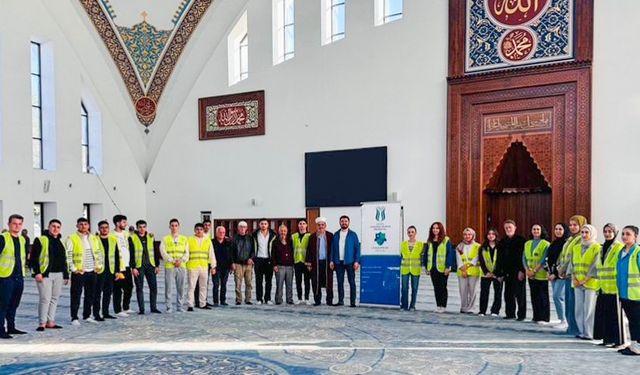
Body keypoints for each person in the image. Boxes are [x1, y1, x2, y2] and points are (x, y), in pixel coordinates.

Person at [31, 219, 69, 331]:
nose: (55, 229)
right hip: (45, 274)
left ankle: (50, 321)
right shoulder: (41, 240)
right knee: (45, 298)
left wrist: (66, 275)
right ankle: (42, 322)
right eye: (53, 226)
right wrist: (37, 272)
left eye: (58, 227)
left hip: (59, 274)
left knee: (54, 298)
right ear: (48, 226)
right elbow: (34, 258)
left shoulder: (60, 241)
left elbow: (64, 260)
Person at [66, 217, 103, 326]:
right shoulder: (72, 238)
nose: (83, 226)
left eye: (85, 224)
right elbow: (68, 254)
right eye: (81, 224)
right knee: (76, 295)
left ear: (89, 226)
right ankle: (74, 317)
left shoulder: (93, 238)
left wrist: (99, 265)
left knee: (90, 294)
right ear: (77, 226)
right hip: (79, 271)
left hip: (92, 270)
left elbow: (98, 252)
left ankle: (87, 315)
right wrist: (73, 268)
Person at [594, 223, 625, 347]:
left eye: (610, 231)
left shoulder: (618, 247)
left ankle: (618, 340)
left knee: (615, 316)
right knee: (604, 314)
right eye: (605, 231)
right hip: (602, 286)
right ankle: (606, 338)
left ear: (615, 233)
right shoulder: (602, 247)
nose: (607, 234)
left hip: (614, 287)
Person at [568, 224, 601, 340]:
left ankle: (589, 332)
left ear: (592, 234)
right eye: (582, 232)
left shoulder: (597, 247)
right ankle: (581, 331)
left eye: (587, 232)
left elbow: (595, 266)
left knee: (589, 309)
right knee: (578, 308)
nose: (584, 235)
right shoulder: (576, 247)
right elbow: (572, 264)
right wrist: (574, 279)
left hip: (590, 283)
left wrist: (584, 280)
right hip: (577, 282)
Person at [558, 215, 587, 334]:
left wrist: (562, 269)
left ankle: (575, 328)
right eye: (570, 225)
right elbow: (563, 255)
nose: (572, 227)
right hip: (567, 274)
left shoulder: (581, 239)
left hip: (574, 274)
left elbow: (571, 258)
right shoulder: (570, 239)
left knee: (574, 303)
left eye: (575, 225)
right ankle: (571, 327)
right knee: (569, 302)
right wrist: (560, 267)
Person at [0, 215, 28, 339]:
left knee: (14, 303)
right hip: (5, 277)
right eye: (14, 224)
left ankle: (11, 326)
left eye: (19, 224)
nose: (17, 226)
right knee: (3, 304)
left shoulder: (22, 240)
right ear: (9, 224)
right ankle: (1, 329)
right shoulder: (3, 238)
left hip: (18, 276)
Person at [494, 219, 527, 321]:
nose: (508, 229)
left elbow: (524, 257)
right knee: (508, 294)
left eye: (510, 227)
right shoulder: (502, 242)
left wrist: (522, 270)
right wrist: (499, 273)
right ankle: (510, 313)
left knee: (520, 295)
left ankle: (521, 315)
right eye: (506, 228)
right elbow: (499, 259)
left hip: (518, 272)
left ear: (515, 228)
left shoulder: (521, 240)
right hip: (507, 272)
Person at [617, 226, 640, 356]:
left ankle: (638, 346)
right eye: (623, 234)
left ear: (635, 236)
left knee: (637, 321)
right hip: (624, 293)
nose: (625, 236)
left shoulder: (637, 252)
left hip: (636, 295)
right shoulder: (622, 252)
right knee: (631, 321)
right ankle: (633, 345)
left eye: (628, 234)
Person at [94, 220, 124, 321]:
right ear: (99, 229)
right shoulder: (95, 240)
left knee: (108, 292)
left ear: (109, 229)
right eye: (102, 227)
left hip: (110, 270)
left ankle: (105, 312)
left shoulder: (112, 240)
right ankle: (96, 314)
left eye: (106, 227)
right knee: (97, 293)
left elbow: (116, 256)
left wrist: (117, 271)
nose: (104, 229)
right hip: (98, 271)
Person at [129, 220, 161, 314]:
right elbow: (131, 253)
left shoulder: (150, 236)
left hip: (150, 265)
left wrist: (157, 265)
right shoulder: (132, 237)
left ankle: (153, 307)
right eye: (140, 227)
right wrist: (133, 267)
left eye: (144, 227)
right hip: (139, 266)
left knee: (153, 287)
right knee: (139, 288)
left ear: (146, 227)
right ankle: (141, 309)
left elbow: (155, 251)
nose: (142, 229)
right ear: (137, 228)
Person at [424, 222, 456, 313]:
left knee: (442, 287)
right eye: (433, 228)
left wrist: (448, 267)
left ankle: (443, 306)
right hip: (432, 267)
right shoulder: (429, 240)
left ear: (440, 229)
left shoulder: (446, 240)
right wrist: (426, 267)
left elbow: (450, 254)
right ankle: (438, 305)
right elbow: (426, 254)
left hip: (442, 268)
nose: (435, 230)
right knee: (436, 287)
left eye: (437, 228)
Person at [160, 219, 189, 313]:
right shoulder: (165, 238)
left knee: (181, 287)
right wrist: (172, 260)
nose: (174, 227)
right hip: (170, 266)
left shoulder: (184, 239)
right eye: (172, 225)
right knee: (168, 287)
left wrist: (181, 260)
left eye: (176, 225)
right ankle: (169, 307)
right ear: (169, 227)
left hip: (181, 265)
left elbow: (187, 253)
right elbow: (163, 251)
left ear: (179, 226)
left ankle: (180, 306)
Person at [330, 215, 360, 307]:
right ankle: (340, 301)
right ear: (339, 222)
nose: (344, 223)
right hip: (338, 262)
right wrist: (331, 260)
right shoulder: (336, 234)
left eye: (345, 221)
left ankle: (352, 302)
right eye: (342, 221)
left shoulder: (353, 235)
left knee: (352, 282)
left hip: (350, 261)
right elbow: (332, 249)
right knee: (340, 282)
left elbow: (357, 249)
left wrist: (356, 261)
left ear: (348, 222)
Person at [523, 224, 551, 323]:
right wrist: (527, 270)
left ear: (541, 231)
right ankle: (536, 316)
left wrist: (534, 270)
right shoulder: (527, 243)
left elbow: (544, 258)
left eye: (538, 229)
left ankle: (544, 317)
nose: (535, 231)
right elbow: (524, 258)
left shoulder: (545, 244)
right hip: (530, 274)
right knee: (534, 296)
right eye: (534, 229)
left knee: (543, 296)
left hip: (541, 274)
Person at [186, 223, 216, 311]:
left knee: (203, 286)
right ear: (194, 230)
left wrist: (213, 266)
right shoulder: (189, 240)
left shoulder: (207, 240)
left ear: (203, 230)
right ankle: (190, 304)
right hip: (192, 266)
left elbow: (211, 254)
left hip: (204, 266)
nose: (199, 231)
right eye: (197, 229)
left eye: (201, 229)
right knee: (191, 286)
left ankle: (203, 303)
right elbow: (186, 253)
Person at [306, 217, 334, 306]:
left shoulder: (330, 235)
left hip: (327, 263)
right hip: (316, 263)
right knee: (315, 282)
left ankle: (329, 301)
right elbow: (309, 250)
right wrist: (309, 263)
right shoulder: (312, 236)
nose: (321, 226)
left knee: (329, 282)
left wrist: (332, 261)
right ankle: (317, 300)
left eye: (322, 225)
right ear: (316, 226)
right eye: (319, 225)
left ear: (325, 226)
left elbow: (334, 250)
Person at [547, 223, 570, 329]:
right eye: (556, 229)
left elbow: (564, 260)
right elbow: (549, 258)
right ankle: (562, 319)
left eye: (560, 229)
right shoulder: (554, 243)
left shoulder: (566, 243)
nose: (558, 231)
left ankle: (565, 320)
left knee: (558, 296)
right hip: (552, 274)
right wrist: (549, 272)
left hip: (561, 275)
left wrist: (556, 274)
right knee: (557, 297)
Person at [112, 215, 134, 316]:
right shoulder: (111, 235)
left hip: (127, 265)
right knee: (118, 289)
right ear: (117, 223)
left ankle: (126, 306)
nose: (126, 224)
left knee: (129, 286)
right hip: (118, 266)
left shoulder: (126, 234)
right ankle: (118, 309)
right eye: (124, 222)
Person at [455, 228, 481, 314]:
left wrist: (468, 266)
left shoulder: (478, 246)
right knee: (463, 290)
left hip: (473, 271)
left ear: (473, 235)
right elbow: (458, 259)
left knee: (473, 290)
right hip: (462, 271)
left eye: (469, 234)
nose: (467, 236)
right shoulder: (459, 246)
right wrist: (463, 269)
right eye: (465, 234)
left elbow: (476, 258)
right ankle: (464, 307)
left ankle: (471, 308)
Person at [478, 228, 502, 317]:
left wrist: (496, 273)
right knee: (484, 292)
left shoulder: (500, 246)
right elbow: (481, 261)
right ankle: (482, 311)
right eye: (489, 234)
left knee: (498, 293)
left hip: (497, 274)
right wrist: (486, 272)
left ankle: (495, 311)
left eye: (493, 234)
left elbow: (501, 261)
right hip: (486, 274)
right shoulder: (482, 247)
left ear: (496, 235)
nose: (491, 235)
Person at [400, 226, 424, 311]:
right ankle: (404, 305)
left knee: (414, 288)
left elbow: (422, 256)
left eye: (412, 232)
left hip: (415, 269)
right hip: (405, 269)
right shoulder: (403, 244)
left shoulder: (420, 244)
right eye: (409, 232)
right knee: (404, 287)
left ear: (415, 233)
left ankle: (412, 305)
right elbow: (401, 256)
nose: (410, 234)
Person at [253, 219, 276, 305]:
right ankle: (259, 299)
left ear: (268, 225)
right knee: (258, 281)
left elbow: (274, 249)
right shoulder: (255, 235)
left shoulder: (273, 235)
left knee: (268, 281)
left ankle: (267, 298)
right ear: (259, 225)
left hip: (268, 260)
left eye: (265, 224)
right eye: (262, 224)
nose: (263, 225)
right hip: (258, 259)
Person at [232, 221, 255, 305]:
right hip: (238, 263)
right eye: (241, 227)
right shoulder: (234, 239)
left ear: (246, 228)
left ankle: (248, 299)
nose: (242, 228)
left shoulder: (250, 238)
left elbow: (253, 250)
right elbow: (231, 252)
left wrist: (251, 258)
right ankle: (238, 299)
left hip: (248, 264)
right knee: (238, 283)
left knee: (249, 282)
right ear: (238, 228)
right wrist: (233, 263)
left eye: (244, 227)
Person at [272, 224, 295, 305]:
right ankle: (278, 299)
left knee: (289, 284)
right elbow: (273, 254)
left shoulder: (290, 241)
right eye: (281, 231)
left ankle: (289, 299)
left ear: (287, 231)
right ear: (279, 231)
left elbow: (292, 253)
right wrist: (274, 265)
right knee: (279, 284)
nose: (283, 232)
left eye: (284, 231)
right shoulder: (275, 241)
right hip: (279, 266)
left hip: (289, 266)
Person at [212, 226, 233, 306]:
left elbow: (231, 255)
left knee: (224, 284)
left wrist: (231, 264)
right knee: (216, 284)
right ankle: (216, 301)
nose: (221, 234)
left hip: (226, 267)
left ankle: (223, 300)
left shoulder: (228, 243)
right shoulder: (212, 242)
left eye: (223, 232)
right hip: (216, 267)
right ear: (216, 233)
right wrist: (212, 267)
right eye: (220, 232)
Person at [292, 219, 311, 305]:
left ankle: (307, 298)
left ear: (306, 225)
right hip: (297, 261)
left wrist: (309, 262)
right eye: (300, 224)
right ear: (298, 225)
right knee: (298, 281)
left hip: (306, 262)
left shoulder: (310, 236)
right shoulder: (294, 236)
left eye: (304, 224)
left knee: (307, 281)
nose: (302, 225)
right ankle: (299, 298)